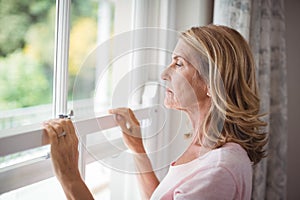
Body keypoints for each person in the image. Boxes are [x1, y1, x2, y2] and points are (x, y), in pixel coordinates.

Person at [43, 24, 268, 200]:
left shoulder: (218, 170)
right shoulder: (207, 150)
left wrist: (69, 176)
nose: (164, 74)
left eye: (178, 64)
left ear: (211, 84)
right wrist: (138, 148)